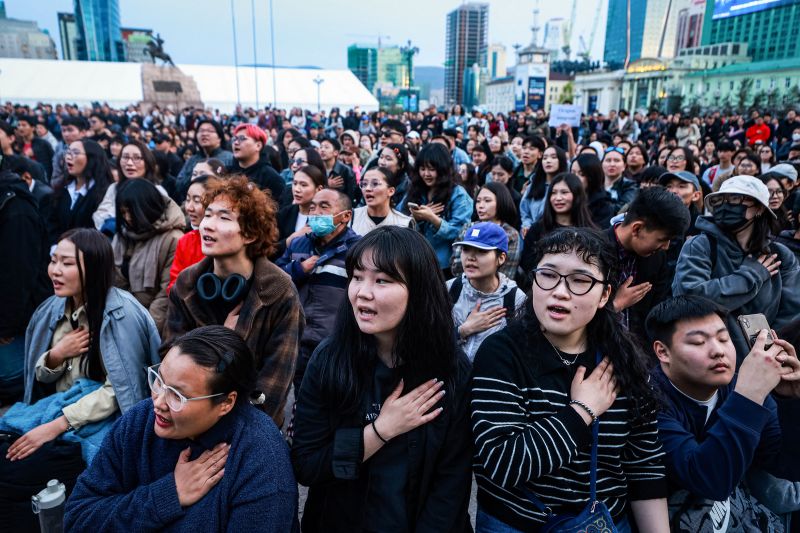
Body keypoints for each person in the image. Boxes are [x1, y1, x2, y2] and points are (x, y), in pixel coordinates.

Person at [471, 227, 669, 532]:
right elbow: (502, 464)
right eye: (548, 275)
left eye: (580, 280)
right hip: (517, 524)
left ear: (605, 295)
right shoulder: (501, 353)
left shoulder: (623, 360)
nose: (560, 291)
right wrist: (581, 412)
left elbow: (643, 463)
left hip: (604, 523)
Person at [291, 226, 473, 532]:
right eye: (357, 277)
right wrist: (380, 430)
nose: (363, 292)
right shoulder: (329, 360)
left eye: (382, 280)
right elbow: (307, 465)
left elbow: (451, 486)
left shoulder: (450, 368)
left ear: (419, 289)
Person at [64, 326, 298, 532]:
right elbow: (77, 519)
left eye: (177, 395)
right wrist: (168, 494)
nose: (158, 402)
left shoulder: (262, 462)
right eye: (159, 380)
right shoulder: (139, 422)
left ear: (226, 403)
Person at [1, 229, 159, 530]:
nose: (55, 271)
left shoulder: (122, 314)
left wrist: (57, 425)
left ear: (94, 267)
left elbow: (122, 391)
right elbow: (40, 378)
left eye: (67, 263)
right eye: (54, 260)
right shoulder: (52, 308)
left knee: (17, 474)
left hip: (97, 424)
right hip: (60, 414)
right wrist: (56, 355)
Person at [645, 295, 800, 530]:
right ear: (663, 352)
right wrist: (748, 395)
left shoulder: (739, 387)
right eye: (698, 342)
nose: (718, 351)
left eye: (723, 338)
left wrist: (791, 399)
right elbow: (711, 481)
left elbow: (786, 465)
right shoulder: (648, 402)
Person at [166, 176, 303, 427]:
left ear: (250, 234)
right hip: (189, 419)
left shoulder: (280, 292)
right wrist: (222, 339)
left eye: (224, 218)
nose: (208, 225)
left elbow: (273, 388)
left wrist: (232, 436)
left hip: (250, 426)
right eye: (208, 215)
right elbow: (171, 363)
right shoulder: (186, 284)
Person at [673, 175, 800, 360]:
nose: (726, 205)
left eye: (735, 199)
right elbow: (689, 299)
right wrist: (750, 275)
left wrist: (766, 349)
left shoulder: (779, 255)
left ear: (759, 208)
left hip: (765, 360)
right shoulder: (701, 246)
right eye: (720, 200)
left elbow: (791, 312)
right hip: (708, 357)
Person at [276, 188, 359, 391]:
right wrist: (298, 269)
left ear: (346, 216)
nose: (316, 213)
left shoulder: (358, 249)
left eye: (324, 207)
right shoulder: (298, 244)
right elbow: (275, 279)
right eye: (312, 207)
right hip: (298, 340)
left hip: (337, 342)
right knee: (302, 394)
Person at [606, 186, 690, 341]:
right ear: (637, 229)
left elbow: (656, 312)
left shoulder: (657, 258)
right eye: (662, 240)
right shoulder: (592, 252)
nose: (666, 247)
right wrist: (616, 305)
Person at [0, 170, 51, 404]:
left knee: (9, 379)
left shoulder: (16, 209)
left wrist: (5, 328)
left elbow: (18, 276)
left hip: (15, 324)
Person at [112, 179, 185, 333]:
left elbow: (165, 295)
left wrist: (144, 332)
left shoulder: (173, 239)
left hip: (151, 324)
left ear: (146, 207)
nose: (127, 218)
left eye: (131, 211)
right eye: (123, 212)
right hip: (120, 317)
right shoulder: (122, 236)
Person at [447, 222, 525, 361]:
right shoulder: (450, 289)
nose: (470, 257)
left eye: (481, 251)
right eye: (466, 249)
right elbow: (429, 339)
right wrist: (463, 330)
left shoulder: (516, 299)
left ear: (501, 258)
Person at [400, 143, 473, 274]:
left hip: (444, 266)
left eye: (431, 169)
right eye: (422, 169)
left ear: (443, 169)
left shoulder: (458, 195)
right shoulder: (415, 190)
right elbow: (398, 218)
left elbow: (460, 232)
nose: (426, 174)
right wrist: (414, 218)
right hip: (415, 261)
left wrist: (432, 219)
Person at [521, 173, 598, 272]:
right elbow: (527, 263)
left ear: (577, 195)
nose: (558, 198)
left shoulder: (590, 232)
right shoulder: (537, 229)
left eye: (564, 192)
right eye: (553, 193)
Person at [93, 140, 168, 235]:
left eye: (137, 158)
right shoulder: (114, 188)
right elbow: (100, 216)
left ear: (147, 162)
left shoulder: (157, 191)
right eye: (125, 157)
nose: (129, 163)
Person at [48, 139, 112, 245]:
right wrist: (56, 246)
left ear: (92, 158)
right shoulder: (62, 189)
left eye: (75, 153)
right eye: (68, 152)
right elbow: (52, 222)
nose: (68, 157)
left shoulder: (105, 192)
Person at [451, 181, 521, 278]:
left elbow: (506, 274)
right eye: (478, 201)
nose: (480, 205)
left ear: (501, 202)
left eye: (487, 201)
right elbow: (456, 266)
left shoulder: (510, 234)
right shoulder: (468, 228)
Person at [167, 175, 208, 292]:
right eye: (188, 199)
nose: (189, 207)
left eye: (197, 201)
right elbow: (173, 285)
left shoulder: (228, 242)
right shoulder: (186, 241)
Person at [276, 164, 326, 257]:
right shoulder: (284, 214)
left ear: (319, 189)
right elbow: (271, 250)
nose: (297, 189)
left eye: (303, 185)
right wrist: (291, 239)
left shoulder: (326, 217)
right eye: (294, 183)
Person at [229, 123, 284, 204]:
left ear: (258, 145)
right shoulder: (227, 172)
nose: (236, 143)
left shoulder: (271, 178)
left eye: (242, 138)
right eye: (234, 139)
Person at [176, 120, 233, 196]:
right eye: (201, 131)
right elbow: (178, 185)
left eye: (210, 131)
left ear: (219, 138)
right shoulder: (192, 159)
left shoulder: (230, 158)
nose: (204, 134)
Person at [351, 167, 414, 236]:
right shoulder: (352, 217)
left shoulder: (404, 223)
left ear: (391, 191)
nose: (367, 189)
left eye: (375, 184)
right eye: (364, 184)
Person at [520, 145, 568, 233]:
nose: (548, 161)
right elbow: (525, 211)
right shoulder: (533, 185)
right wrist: (527, 225)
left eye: (553, 157)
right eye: (545, 158)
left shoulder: (567, 186)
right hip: (532, 233)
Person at [571, 153, 616, 228]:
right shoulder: (566, 199)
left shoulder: (604, 206)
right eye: (573, 173)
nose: (575, 178)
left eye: (581, 174)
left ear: (592, 176)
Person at [13, 115, 54, 180]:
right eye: (19, 125)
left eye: (24, 125)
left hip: (42, 180)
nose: (20, 128)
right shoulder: (17, 146)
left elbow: (52, 162)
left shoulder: (42, 144)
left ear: (33, 128)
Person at [51, 116, 88, 186]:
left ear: (83, 132)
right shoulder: (60, 151)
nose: (66, 134)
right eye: (63, 130)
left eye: (70, 130)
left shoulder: (92, 150)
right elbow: (55, 180)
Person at [319, 138, 357, 202]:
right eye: (321, 147)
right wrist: (327, 185)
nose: (322, 150)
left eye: (326, 147)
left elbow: (351, 195)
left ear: (335, 152)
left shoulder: (346, 171)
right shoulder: (317, 169)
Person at [602, 146, 637, 213]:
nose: (612, 164)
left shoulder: (631, 186)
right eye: (608, 160)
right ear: (602, 164)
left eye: (616, 160)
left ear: (624, 166)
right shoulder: (594, 185)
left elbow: (624, 209)